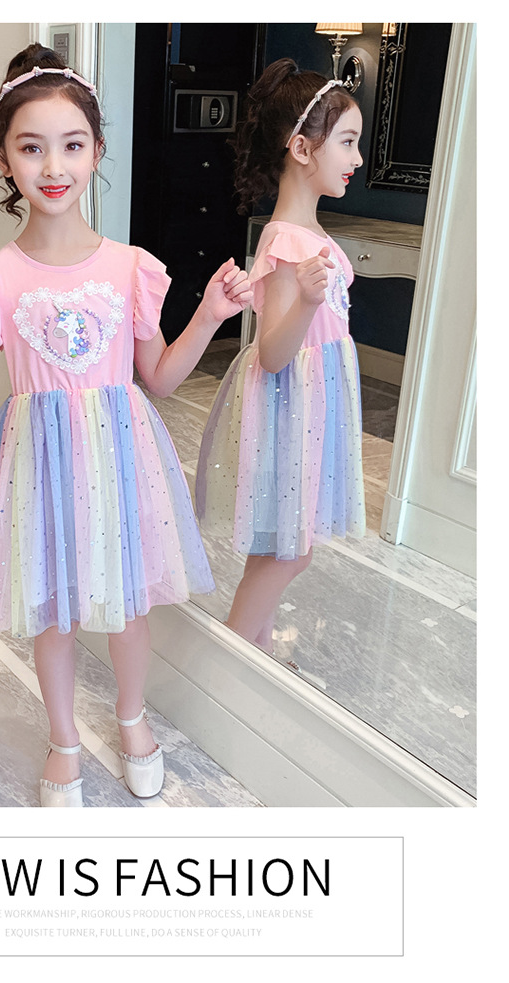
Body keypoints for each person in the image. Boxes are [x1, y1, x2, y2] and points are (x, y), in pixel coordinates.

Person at [0, 44, 252, 807]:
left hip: (118, 460)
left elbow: (158, 375)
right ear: (3, 158)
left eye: (72, 145)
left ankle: (132, 718)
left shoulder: (129, 267)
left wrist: (210, 314)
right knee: (55, 608)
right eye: (31, 147)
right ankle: (64, 738)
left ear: (98, 150)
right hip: (37, 465)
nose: (53, 166)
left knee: (126, 603)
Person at [196, 58, 366, 656]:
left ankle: (256, 657)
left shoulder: (303, 233)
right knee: (290, 552)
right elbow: (271, 352)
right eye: (347, 141)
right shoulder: (289, 240)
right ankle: (230, 662)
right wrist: (309, 302)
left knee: (280, 547)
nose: (357, 157)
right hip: (293, 403)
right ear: (301, 147)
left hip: (308, 404)